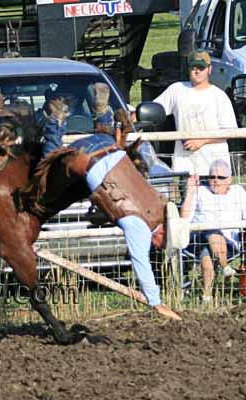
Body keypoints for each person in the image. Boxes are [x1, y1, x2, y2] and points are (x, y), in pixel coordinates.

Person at [42, 84, 182, 320]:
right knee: (49, 165)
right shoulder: (141, 226)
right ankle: (56, 122)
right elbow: (141, 264)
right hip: (85, 157)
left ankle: (103, 113)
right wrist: (156, 302)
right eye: (162, 243)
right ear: (161, 235)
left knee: (114, 145)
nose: (158, 246)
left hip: (109, 147)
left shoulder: (160, 202)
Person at [153, 49, 237, 176]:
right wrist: (133, 116)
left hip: (214, 167)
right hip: (184, 164)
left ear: (209, 69)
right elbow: (154, 109)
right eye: (193, 68)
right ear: (188, 69)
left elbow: (230, 131)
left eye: (201, 68)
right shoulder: (176, 90)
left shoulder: (219, 96)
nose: (197, 71)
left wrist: (200, 141)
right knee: (186, 195)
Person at [180, 159, 246, 302]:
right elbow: (184, 218)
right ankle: (225, 267)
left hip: (229, 243)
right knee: (210, 228)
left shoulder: (238, 191)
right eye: (212, 177)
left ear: (230, 179)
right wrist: (190, 192)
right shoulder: (200, 191)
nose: (216, 181)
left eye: (221, 177)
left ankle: (207, 295)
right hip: (197, 239)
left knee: (207, 255)